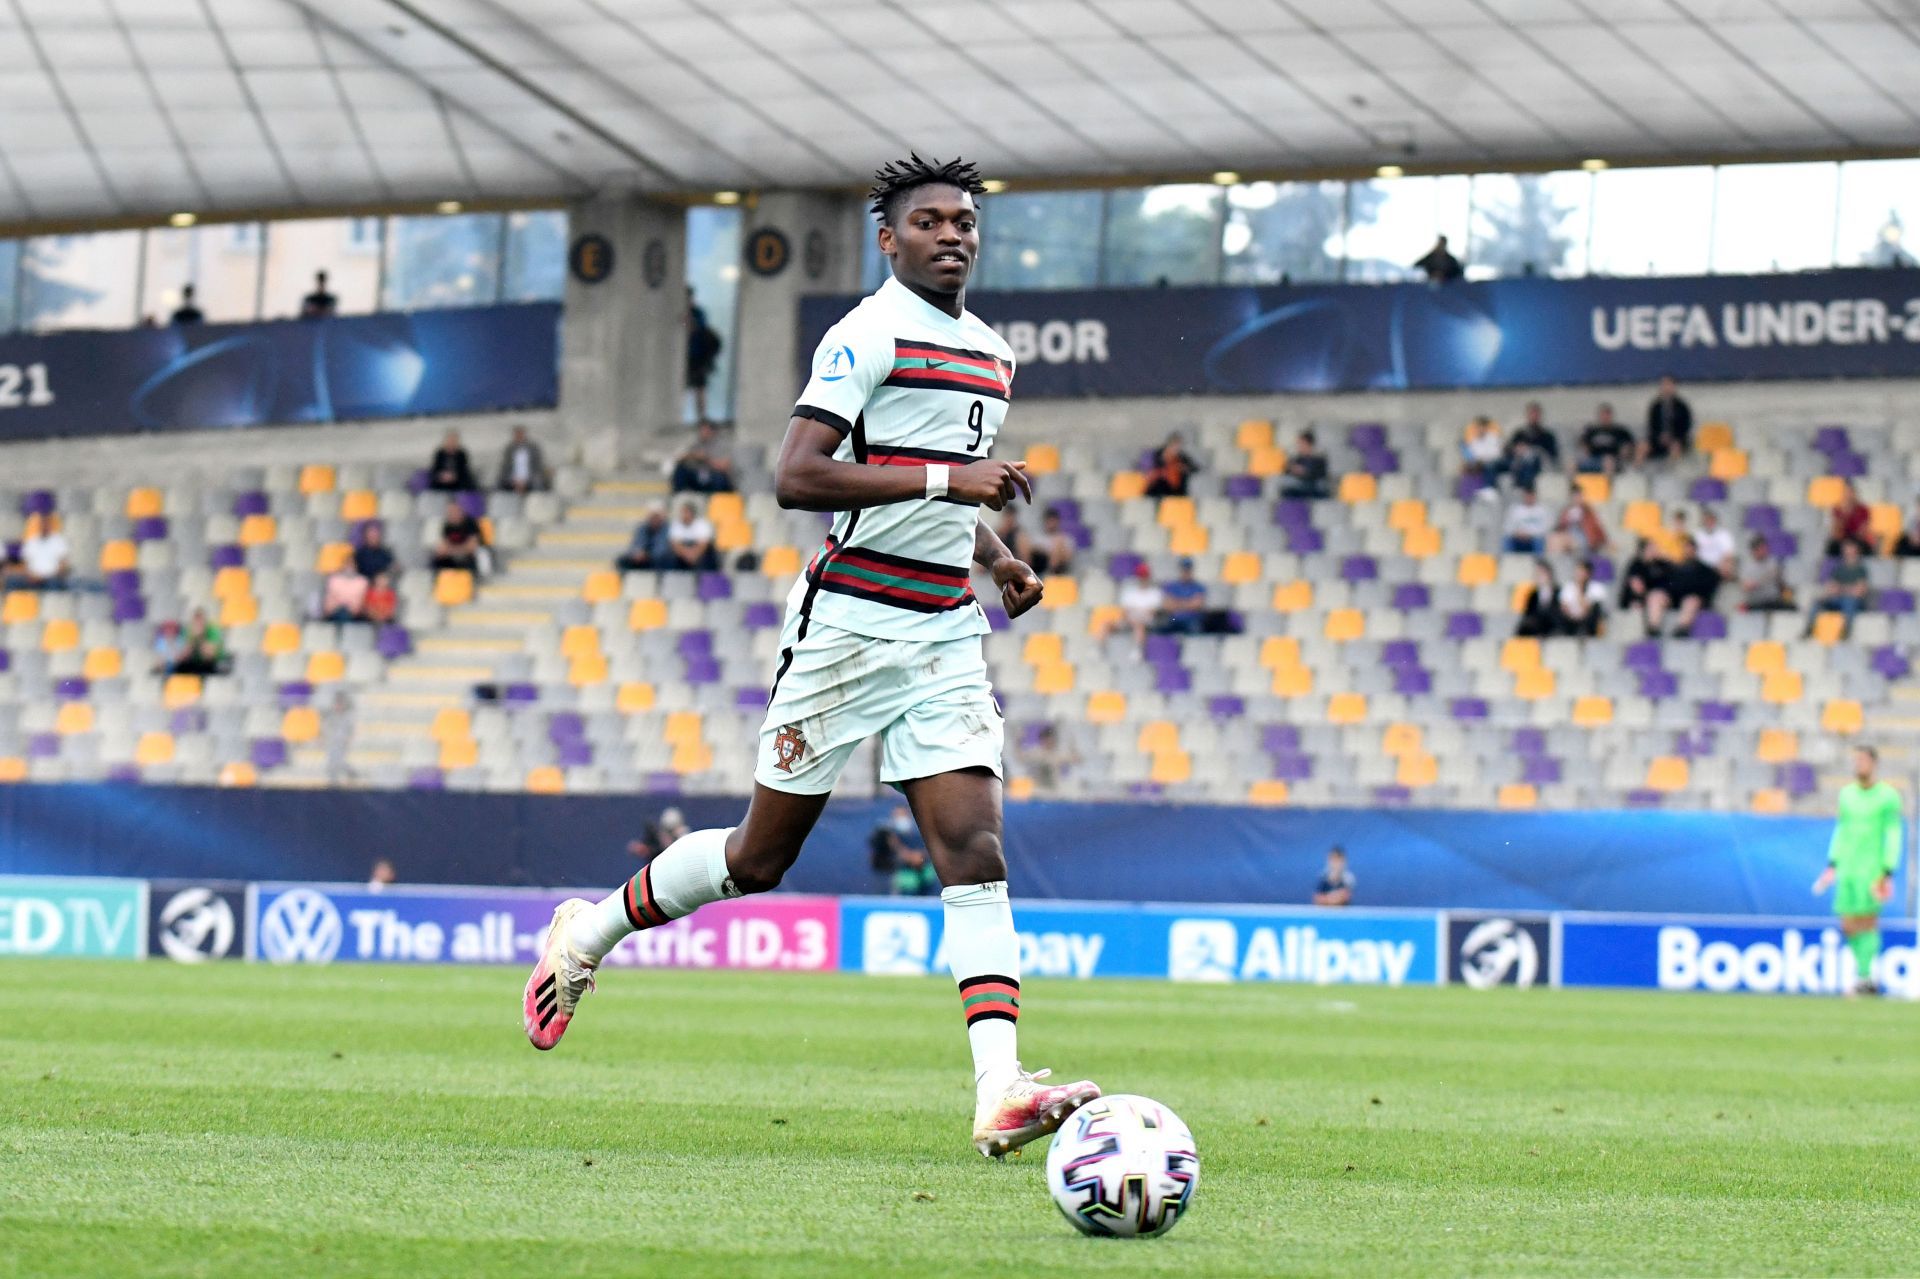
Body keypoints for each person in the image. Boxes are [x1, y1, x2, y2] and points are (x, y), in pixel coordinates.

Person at [522, 155, 1098, 1161]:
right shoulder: (863, 335)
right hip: (845, 626)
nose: (954, 234)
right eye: (930, 222)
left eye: (965, 221)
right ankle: (590, 931)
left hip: (942, 632)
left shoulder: (992, 355)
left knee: (975, 851)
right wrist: (950, 481)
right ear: (890, 239)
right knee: (760, 857)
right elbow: (797, 475)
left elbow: (943, 503)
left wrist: (999, 557)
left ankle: (999, 1086)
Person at [1811, 746, 1903, 996]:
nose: (1859, 764)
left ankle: (1866, 977)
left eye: (1863, 760)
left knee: (1868, 922)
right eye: (1856, 760)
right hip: (1848, 868)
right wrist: (1833, 862)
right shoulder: (1847, 795)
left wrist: (1888, 869)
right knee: (1848, 924)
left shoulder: (1888, 796)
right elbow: (1841, 830)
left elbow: (1893, 833)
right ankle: (1865, 975)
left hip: (1872, 869)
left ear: (1874, 763)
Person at [1646, 539, 1720, 638]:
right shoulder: (1669, 566)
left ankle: (1682, 629)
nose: (1687, 550)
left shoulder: (1704, 569)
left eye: (1689, 547)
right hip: (1672, 599)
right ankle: (1653, 629)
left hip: (1692, 601)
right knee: (1655, 595)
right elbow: (1659, 583)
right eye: (1685, 548)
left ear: (1695, 549)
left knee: (1691, 600)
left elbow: (1707, 588)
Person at [1808, 539, 1873, 639]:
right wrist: (1848, 589)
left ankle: (1846, 631)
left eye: (1849, 547)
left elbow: (1859, 591)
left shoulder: (1861, 569)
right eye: (1845, 547)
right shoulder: (1839, 569)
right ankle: (1810, 628)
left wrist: (1842, 589)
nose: (1846, 550)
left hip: (1852, 601)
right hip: (1839, 599)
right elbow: (1832, 588)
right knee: (1818, 602)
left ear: (1856, 550)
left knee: (1849, 601)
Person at [686, 291, 724, 423]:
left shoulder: (697, 313)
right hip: (687, 358)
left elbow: (699, 329)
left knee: (699, 388)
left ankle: (701, 417)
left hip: (697, 357)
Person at [1106, 561, 1163, 646]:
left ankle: (1138, 649)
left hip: (1147, 620)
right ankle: (1099, 648)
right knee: (1107, 625)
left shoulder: (1155, 593)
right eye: (1141, 576)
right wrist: (1132, 616)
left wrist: (1136, 614)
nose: (1142, 578)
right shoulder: (1129, 592)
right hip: (1130, 619)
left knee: (1139, 625)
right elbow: (1125, 611)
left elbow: (1152, 612)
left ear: (1148, 577)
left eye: (1144, 576)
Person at [671, 421, 735, 494]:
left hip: (714, 476)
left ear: (712, 431)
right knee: (680, 469)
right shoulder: (696, 444)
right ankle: (679, 496)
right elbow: (679, 458)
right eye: (701, 430)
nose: (703, 433)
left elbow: (725, 466)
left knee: (719, 479)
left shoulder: (721, 445)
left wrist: (706, 459)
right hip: (698, 475)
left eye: (705, 430)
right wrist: (692, 456)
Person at [1618, 537, 1668, 627]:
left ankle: (1653, 629)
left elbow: (1667, 585)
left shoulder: (1661, 565)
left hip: (1656, 599)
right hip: (1636, 600)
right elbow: (1637, 587)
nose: (1655, 550)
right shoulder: (1635, 564)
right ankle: (1650, 630)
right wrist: (1650, 595)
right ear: (1644, 549)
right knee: (1639, 606)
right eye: (1652, 548)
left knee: (1657, 598)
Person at [12, 515, 71, 589]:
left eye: (46, 524)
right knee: (13, 581)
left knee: (54, 583)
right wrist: (31, 576)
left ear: (50, 526)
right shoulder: (31, 541)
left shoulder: (59, 541)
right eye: (42, 524)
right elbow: (25, 564)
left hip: (52, 578)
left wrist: (45, 577)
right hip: (32, 578)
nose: (44, 527)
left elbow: (63, 566)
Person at [1643, 375, 1693, 462]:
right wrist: (1659, 437)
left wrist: (1673, 437)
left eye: (1669, 385)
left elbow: (1686, 427)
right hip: (1658, 439)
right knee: (1642, 446)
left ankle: (1671, 471)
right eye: (1664, 385)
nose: (1666, 388)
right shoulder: (1656, 406)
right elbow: (1651, 426)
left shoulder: (1682, 407)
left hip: (1677, 439)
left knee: (1675, 447)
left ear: (1674, 387)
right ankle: (1638, 472)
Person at [1739, 536, 1795, 613]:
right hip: (1756, 602)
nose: (1765, 551)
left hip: (1773, 600)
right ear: (1754, 550)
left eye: (1765, 548)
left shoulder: (1773, 563)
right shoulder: (1747, 566)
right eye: (1761, 549)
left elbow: (1781, 582)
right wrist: (1760, 580)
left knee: (1792, 608)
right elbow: (1746, 587)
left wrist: (1778, 576)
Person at [1577, 404, 1635, 475]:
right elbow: (1582, 443)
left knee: (1608, 461)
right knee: (1571, 463)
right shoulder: (1591, 430)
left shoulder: (1620, 431)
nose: (1605, 417)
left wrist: (1624, 452)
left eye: (1607, 415)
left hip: (1613, 459)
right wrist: (1584, 448)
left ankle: (1607, 484)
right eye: (1603, 415)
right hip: (1594, 458)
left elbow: (1629, 445)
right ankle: (1573, 485)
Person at [430, 499, 487, 573]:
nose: (452, 514)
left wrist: (453, 550)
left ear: (461, 511)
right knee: (437, 559)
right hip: (455, 555)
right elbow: (443, 548)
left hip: (470, 556)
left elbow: (472, 547)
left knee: (478, 556)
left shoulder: (471, 523)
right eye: (450, 512)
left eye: (454, 511)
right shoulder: (447, 526)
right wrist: (456, 551)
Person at [1021, 724, 1078, 795]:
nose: (1048, 743)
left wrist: (1072, 745)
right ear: (1041, 740)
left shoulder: (1058, 754)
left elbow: (1075, 759)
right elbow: (1020, 758)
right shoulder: (1035, 752)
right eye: (1046, 740)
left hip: (1054, 790)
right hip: (1037, 790)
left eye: (1051, 740)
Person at [168, 609, 227, 677]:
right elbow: (183, 656)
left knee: (207, 666)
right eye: (196, 623)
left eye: (201, 623)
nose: (198, 625)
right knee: (179, 667)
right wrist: (192, 639)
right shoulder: (188, 631)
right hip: (195, 662)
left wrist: (200, 637)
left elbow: (209, 656)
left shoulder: (212, 630)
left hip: (212, 663)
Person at [1156, 558, 1207, 635]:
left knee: (1195, 629)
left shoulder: (1198, 586)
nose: (1186, 572)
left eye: (1188, 569)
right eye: (1184, 569)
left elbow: (1197, 605)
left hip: (1191, 619)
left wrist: (1177, 603)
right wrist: (1188, 603)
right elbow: (1168, 606)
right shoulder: (1172, 586)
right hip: (1174, 618)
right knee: (1160, 630)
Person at [1558, 558, 1606, 637]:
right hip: (1571, 619)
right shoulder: (1568, 587)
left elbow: (1588, 608)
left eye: (1581, 572)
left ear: (1588, 573)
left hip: (1587, 620)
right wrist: (1572, 616)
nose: (1579, 575)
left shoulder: (1596, 588)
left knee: (1595, 611)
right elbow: (1564, 607)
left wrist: (1579, 589)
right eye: (1577, 571)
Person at [1824, 480, 1874, 558]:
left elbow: (1863, 532)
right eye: (1846, 493)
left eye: (1851, 492)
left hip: (1857, 539)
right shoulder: (1837, 509)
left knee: (1868, 549)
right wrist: (1844, 514)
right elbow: (1836, 533)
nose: (1849, 495)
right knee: (1832, 547)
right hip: (1842, 539)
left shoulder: (1863, 510)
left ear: (1855, 494)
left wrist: (1851, 545)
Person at [1143, 432, 1199, 498]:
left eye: (1178, 446)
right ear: (1168, 444)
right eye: (1174, 445)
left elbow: (1195, 468)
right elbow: (1147, 471)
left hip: (1175, 490)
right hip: (1156, 488)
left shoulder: (1182, 457)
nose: (1176, 448)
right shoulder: (1155, 455)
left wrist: (1183, 468)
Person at [496, 425, 551, 494]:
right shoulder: (509, 449)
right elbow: (506, 467)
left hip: (530, 479)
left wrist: (525, 481)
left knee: (539, 484)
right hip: (513, 480)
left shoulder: (533, 449)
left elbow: (537, 467)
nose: (519, 437)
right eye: (517, 435)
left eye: (521, 434)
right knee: (499, 486)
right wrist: (514, 480)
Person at [666, 499, 718, 572]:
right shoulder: (676, 524)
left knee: (708, 558)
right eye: (682, 512)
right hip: (682, 554)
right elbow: (675, 545)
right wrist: (687, 555)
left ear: (692, 513)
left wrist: (693, 555)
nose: (683, 515)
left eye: (686, 512)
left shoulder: (702, 524)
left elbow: (703, 545)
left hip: (699, 552)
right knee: (669, 557)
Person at [1514, 558, 1561, 638]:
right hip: (1537, 627)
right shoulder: (1533, 595)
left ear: (1549, 574)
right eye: (1537, 574)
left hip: (1552, 625)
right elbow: (1528, 613)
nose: (1539, 576)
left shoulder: (1558, 592)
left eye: (1541, 573)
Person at [1506, 402, 1561, 469]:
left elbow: (1553, 455)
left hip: (1539, 465)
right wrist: (1517, 449)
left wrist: (1534, 451)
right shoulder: (1520, 434)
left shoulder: (1547, 436)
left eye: (1536, 414)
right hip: (1520, 464)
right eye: (1531, 414)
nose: (1534, 416)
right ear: (1527, 416)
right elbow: (1508, 450)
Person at [1280, 430, 1331, 499]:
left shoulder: (1319, 459)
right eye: (1299, 444)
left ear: (1309, 444)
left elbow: (1318, 475)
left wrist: (1303, 472)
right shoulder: (1296, 459)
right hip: (1298, 489)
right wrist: (1296, 470)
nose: (1299, 446)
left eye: (1302, 443)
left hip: (1314, 490)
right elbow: (1286, 470)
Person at [1461, 416, 1504, 492]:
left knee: (1489, 465)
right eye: (1478, 427)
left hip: (1495, 462)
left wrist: (1483, 458)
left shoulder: (1493, 438)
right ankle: (1470, 494)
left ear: (1486, 428)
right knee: (1469, 468)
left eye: (1482, 427)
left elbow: (1497, 454)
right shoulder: (1474, 441)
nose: (1480, 430)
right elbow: (1473, 454)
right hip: (1480, 463)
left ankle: (1489, 489)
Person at [1502, 488, 1551, 554]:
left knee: (1539, 541)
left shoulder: (1542, 510)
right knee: (1506, 539)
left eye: (1531, 496)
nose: (1529, 498)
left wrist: (1530, 534)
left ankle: (1539, 559)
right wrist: (1517, 533)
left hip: (1534, 537)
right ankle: (1508, 559)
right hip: (1517, 537)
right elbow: (1508, 526)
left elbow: (1545, 527)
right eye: (1527, 496)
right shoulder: (1515, 510)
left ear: (1535, 496)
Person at [1028, 507, 1074, 577]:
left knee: (1058, 544)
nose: (1051, 524)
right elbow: (1032, 551)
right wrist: (1048, 552)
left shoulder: (1066, 538)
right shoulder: (1038, 537)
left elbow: (1068, 557)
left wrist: (1055, 551)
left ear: (1058, 521)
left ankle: (1051, 576)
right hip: (1040, 566)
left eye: (1053, 521)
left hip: (1061, 569)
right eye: (1049, 521)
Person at [1693, 508, 1736, 580]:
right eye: (1707, 520)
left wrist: (1722, 565)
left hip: (1717, 568)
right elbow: (1693, 553)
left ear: (1715, 520)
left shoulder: (1724, 534)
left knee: (1728, 566)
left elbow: (1728, 554)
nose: (1709, 522)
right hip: (1700, 567)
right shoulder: (1697, 534)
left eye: (1711, 520)